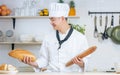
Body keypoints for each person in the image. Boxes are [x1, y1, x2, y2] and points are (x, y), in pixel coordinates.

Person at [21, 3, 89, 72]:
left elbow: (86, 60)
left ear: (62, 18)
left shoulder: (80, 38)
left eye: (53, 20)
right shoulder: (48, 37)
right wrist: (32, 63)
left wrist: (82, 63)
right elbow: (44, 59)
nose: (50, 22)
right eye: (50, 20)